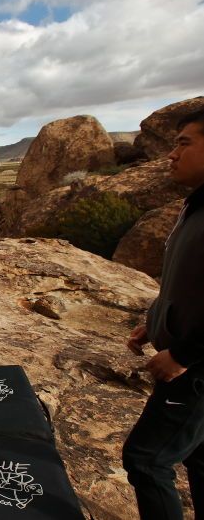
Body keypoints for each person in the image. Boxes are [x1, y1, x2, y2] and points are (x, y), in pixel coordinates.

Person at [122, 108, 204, 520]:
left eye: (184, 143)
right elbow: (186, 282)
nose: (171, 154)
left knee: (146, 459)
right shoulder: (196, 205)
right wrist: (154, 322)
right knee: (198, 457)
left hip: (195, 373)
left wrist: (182, 355)